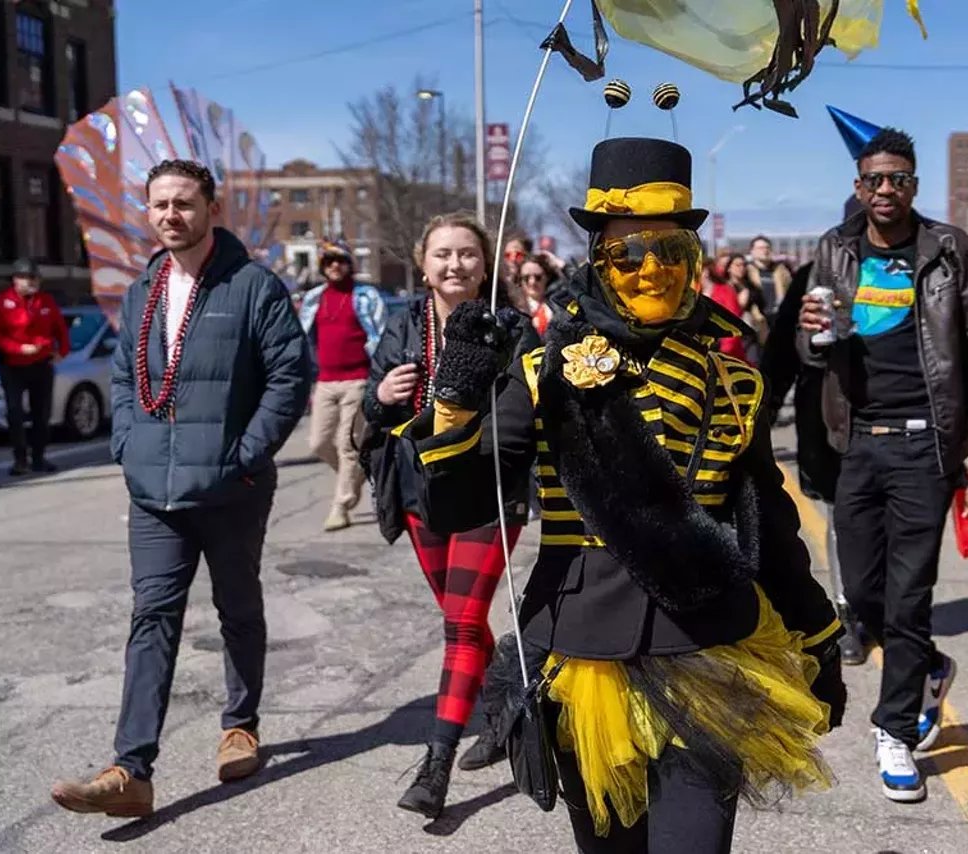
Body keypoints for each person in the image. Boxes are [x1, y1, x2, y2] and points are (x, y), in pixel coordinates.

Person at [405, 137, 845, 852]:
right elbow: (457, 505)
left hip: (713, 648)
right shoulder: (545, 370)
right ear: (598, 261)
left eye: (669, 250)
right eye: (628, 253)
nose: (651, 269)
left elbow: (771, 525)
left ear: (693, 258)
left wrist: (819, 637)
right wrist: (454, 398)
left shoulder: (734, 382)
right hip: (584, 658)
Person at [50, 159, 311, 817]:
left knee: (237, 608)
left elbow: (289, 378)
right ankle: (130, 771)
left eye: (185, 203)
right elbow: (120, 380)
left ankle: (240, 725)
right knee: (152, 618)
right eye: (160, 204)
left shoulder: (254, 287)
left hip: (231, 488)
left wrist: (243, 456)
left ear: (211, 210)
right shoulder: (142, 291)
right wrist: (127, 448)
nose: (171, 215)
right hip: (154, 494)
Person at [798, 126, 968, 802]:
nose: (885, 190)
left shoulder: (949, 249)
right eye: (873, 180)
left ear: (913, 185)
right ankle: (927, 665)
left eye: (898, 179)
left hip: (926, 444)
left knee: (910, 592)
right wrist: (808, 334)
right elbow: (812, 354)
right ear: (857, 188)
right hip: (857, 440)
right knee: (862, 595)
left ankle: (894, 731)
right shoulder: (835, 250)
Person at [359, 212, 534, 818]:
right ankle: (509, 710)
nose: (454, 264)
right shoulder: (403, 325)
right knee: (463, 622)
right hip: (419, 493)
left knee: (460, 626)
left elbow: (528, 416)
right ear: (422, 261)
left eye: (466, 253)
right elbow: (370, 403)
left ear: (485, 264)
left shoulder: (510, 328)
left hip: (487, 492)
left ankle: (435, 769)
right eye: (442, 254)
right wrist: (380, 397)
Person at [761, 195, 868, 666]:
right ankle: (847, 612)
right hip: (825, 423)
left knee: (883, 526)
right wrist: (758, 419)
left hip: (892, 425)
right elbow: (781, 353)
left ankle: (879, 608)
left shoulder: (905, 283)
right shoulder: (812, 280)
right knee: (841, 519)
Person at [298, 239, 386, 531]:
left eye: (340, 260)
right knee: (319, 444)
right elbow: (303, 339)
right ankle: (357, 473)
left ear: (349, 264)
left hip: (357, 380)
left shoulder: (365, 296)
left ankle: (341, 505)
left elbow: (382, 336)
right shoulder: (314, 298)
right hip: (324, 382)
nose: (335, 265)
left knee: (347, 445)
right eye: (329, 260)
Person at [0, 258, 69, 476]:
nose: (32, 282)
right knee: (15, 413)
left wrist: (62, 351)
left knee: (41, 413)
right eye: (27, 278)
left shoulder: (46, 301)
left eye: (35, 278)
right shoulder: (1, 302)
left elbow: (60, 329)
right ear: (16, 280)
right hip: (12, 366)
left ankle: (39, 458)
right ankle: (20, 460)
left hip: (41, 364)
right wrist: (19, 348)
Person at [747, 234, 792, 312]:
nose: (765, 250)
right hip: (756, 318)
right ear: (752, 251)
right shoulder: (746, 271)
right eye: (760, 248)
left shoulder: (782, 270)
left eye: (767, 248)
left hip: (779, 316)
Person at [518, 253, 558, 336]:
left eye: (538, 277)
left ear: (547, 277)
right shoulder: (515, 309)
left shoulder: (557, 306)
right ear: (520, 280)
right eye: (526, 278)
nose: (532, 282)